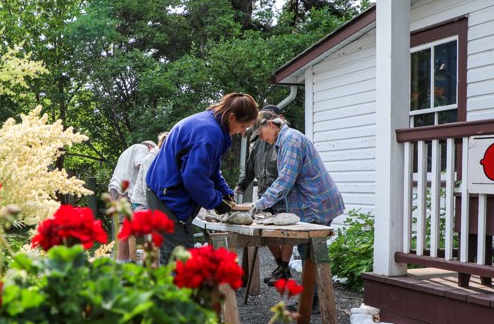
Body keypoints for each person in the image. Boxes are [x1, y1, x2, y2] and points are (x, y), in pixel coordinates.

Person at [145, 92, 260, 265]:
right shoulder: (209, 134)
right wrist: (216, 201)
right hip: (168, 198)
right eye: (243, 126)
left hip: (161, 192)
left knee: (170, 261)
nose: (242, 132)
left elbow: (212, 171)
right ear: (232, 117)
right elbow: (194, 179)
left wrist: (225, 193)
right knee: (183, 263)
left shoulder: (212, 125)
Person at [250, 109, 345, 309]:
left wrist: (259, 205)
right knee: (308, 251)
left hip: (316, 203)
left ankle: (315, 302)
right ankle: (313, 301)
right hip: (312, 202)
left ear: (269, 125)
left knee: (310, 250)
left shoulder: (290, 140)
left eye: (260, 134)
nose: (262, 139)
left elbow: (285, 180)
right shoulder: (284, 140)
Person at [235, 104, 294, 286]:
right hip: (264, 195)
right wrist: (239, 187)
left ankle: (284, 269)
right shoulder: (259, 142)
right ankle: (281, 268)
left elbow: (287, 175)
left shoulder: (285, 140)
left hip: (282, 195)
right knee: (267, 235)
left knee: (287, 234)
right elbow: (250, 168)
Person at [108, 139, 157, 262]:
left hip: (115, 188)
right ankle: (123, 262)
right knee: (125, 225)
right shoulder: (142, 148)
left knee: (124, 225)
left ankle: (125, 260)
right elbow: (141, 165)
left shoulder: (128, 151)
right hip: (125, 190)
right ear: (150, 147)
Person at [130, 131, 168, 213]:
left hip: (150, 203)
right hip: (143, 204)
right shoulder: (151, 158)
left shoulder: (161, 158)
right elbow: (146, 185)